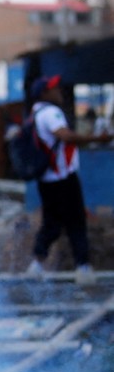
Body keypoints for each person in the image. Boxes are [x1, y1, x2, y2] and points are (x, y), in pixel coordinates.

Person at [26, 75, 113, 284]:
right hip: (62, 177)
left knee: (52, 223)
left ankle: (36, 265)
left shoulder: (35, 113)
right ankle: (83, 267)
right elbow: (66, 137)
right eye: (54, 88)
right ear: (44, 93)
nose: (59, 91)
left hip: (47, 178)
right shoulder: (51, 113)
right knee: (76, 222)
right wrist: (97, 139)